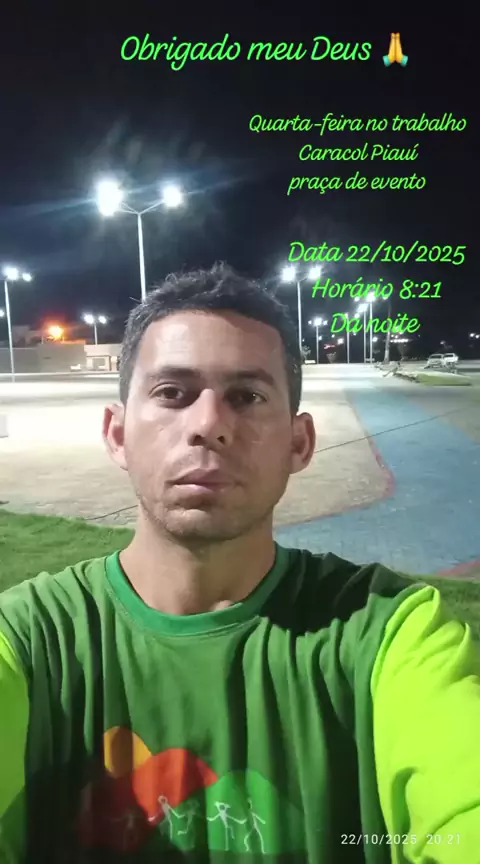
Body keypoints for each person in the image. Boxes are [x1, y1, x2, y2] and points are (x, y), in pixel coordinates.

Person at [0, 263, 479, 863]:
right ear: (118, 435)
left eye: (247, 397)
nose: (208, 425)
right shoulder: (28, 639)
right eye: (172, 393)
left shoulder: (390, 635)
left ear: (298, 443)